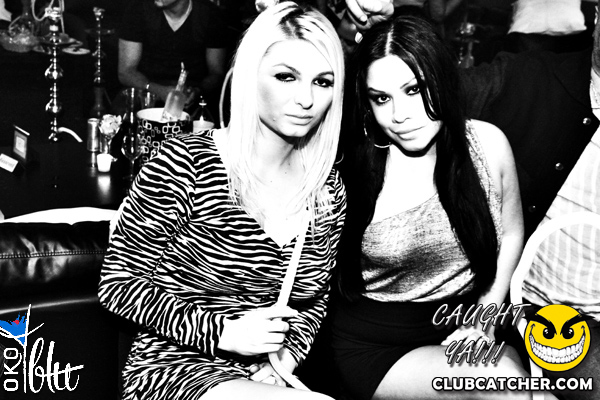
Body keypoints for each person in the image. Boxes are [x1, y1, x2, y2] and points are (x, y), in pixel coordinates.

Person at [98, 2, 346, 400]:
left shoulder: (326, 187)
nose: (306, 98)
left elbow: (312, 302)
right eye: (286, 76)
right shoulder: (185, 163)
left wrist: (282, 360)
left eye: (322, 82)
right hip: (174, 370)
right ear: (250, 75)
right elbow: (118, 285)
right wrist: (223, 333)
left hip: (264, 378)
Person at [332, 14, 538, 400]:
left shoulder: (487, 144)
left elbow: (511, 233)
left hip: (469, 320)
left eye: (414, 89)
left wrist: (485, 315)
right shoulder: (352, 168)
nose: (400, 114)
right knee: (504, 388)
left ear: (441, 79)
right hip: (380, 343)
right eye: (381, 98)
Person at [117, 0, 228, 108]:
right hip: (145, 95)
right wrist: (157, 90)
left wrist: (197, 91)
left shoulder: (209, 14)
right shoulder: (138, 9)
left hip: (193, 99)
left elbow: (216, 73)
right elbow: (126, 72)